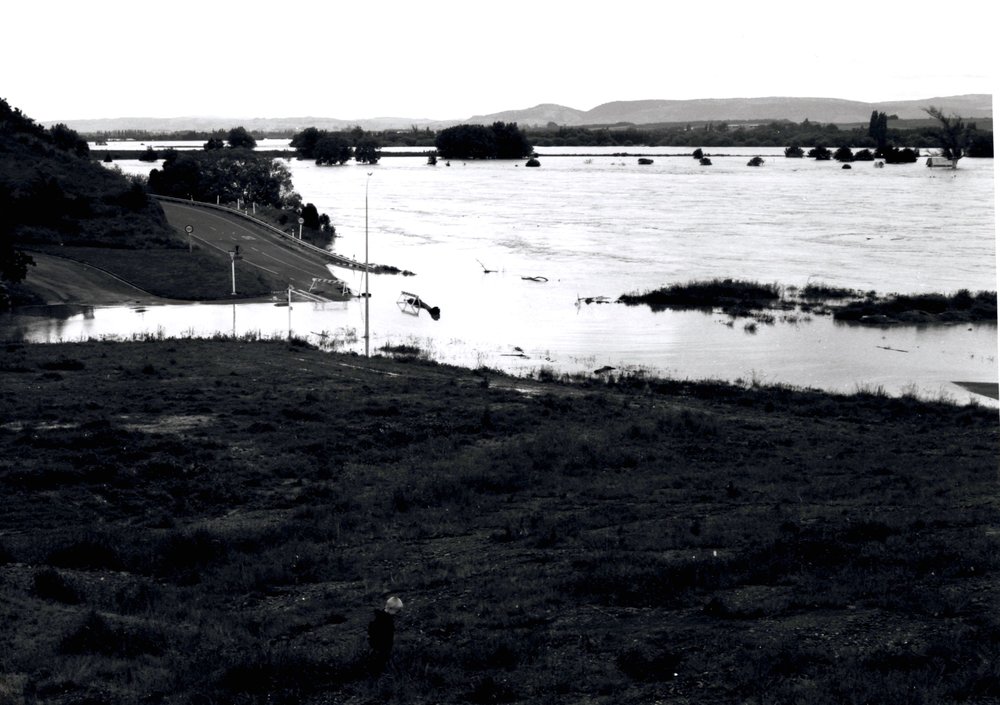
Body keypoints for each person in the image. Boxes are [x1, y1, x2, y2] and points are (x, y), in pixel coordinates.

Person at [367, 596, 403, 673]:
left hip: (377, 644)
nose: (397, 613)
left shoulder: (379, 616)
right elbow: (385, 635)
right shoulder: (386, 621)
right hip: (381, 646)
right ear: (390, 609)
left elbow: (371, 629)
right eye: (397, 611)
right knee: (379, 662)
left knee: (378, 659)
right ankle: (376, 673)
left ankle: (375, 671)